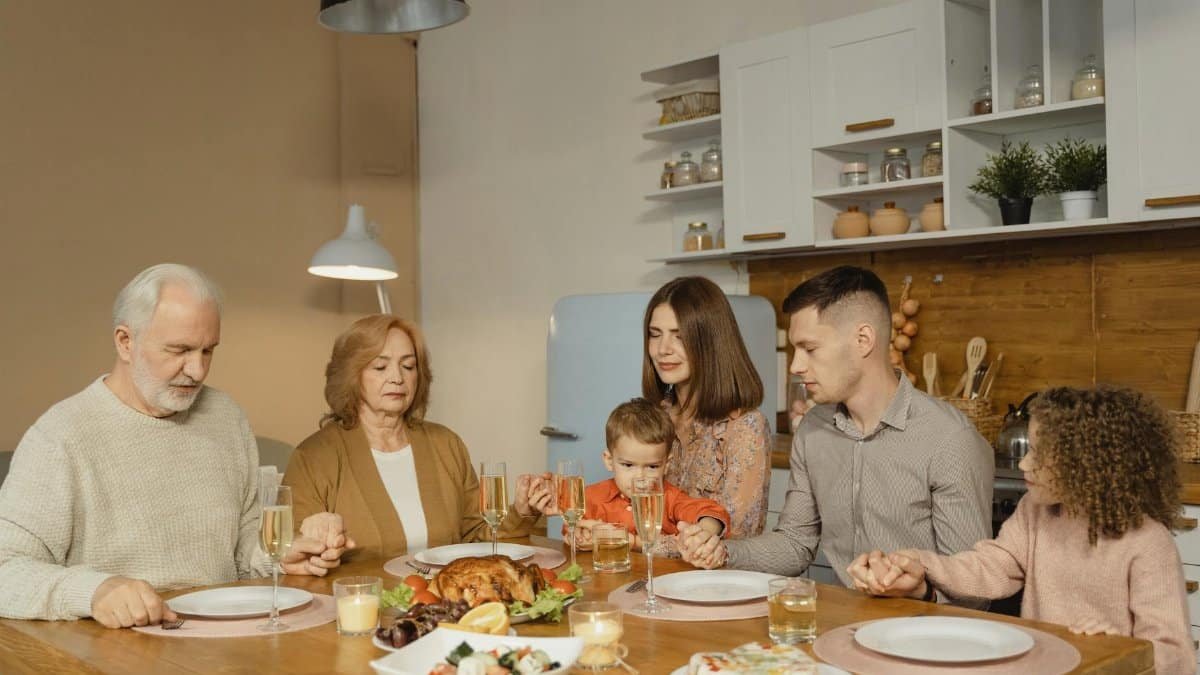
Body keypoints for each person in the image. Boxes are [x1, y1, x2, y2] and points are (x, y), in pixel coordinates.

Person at [0, 264, 349, 629]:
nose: (197, 371)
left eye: (207, 351)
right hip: (120, 650)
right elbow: (5, 569)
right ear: (125, 341)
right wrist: (95, 590)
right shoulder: (60, 435)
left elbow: (242, 547)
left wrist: (283, 556)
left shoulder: (226, 416)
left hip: (227, 639)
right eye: (179, 350)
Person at [679, 266, 993, 605]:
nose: (796, 366)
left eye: (809, 349)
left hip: (927, 637)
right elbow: (795, 545)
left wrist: (920, 590)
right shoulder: (814, 429)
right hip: (847, 626)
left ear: (863, 340)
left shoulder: (949, 439)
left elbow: (975, 588)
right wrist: (722, 553)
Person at [848, 386, 1193, 674]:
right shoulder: (1036, 511)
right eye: (1028, 449)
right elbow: (992, 566)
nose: (1025, 464)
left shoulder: (1148, 543)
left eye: (1041, 455)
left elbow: (1176, 655)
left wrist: (1122, 649)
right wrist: (920, 564)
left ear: (1090, 464)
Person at [284, 315, 540, 562]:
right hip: (362, 601)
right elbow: (298, 554)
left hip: (444, 601)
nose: (397, 378)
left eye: (408, 366)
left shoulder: (446, 444)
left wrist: (521, 512)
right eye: (380, 366)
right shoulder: (314, 457)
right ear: (351, 375)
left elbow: (478, 536)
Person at [640, 277, 771, 552]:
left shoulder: (746, 426)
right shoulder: (653, 417)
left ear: (710, 341)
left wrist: (634, 542)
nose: (663, 348)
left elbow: (736, 534)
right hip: (656, 578)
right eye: (655, 334)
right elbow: (625, 501)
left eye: (680, 335)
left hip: (720, 586)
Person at [517, 398, 729, 554]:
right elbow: (572, 535)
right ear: (609, 460)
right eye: (628, 465)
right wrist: (580, 537)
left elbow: (712, 512)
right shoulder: (591, 496)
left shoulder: (670, 498)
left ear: (667, 464)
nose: (640, 477)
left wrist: (704, 533)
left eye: (652, 467)